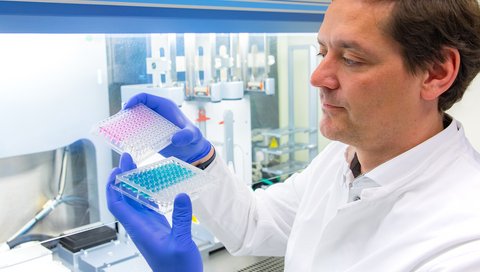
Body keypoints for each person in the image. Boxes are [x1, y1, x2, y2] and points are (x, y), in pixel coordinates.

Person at [106, 0, 480, 271]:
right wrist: (200, 159)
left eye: (351, 59)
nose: (317, 77)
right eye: (323, 52)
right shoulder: (344, 158)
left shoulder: (464, 244)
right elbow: (254, 223)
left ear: (435, 73)